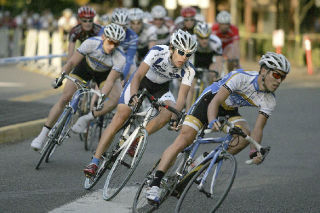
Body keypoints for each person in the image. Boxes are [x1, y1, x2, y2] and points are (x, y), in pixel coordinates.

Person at [145, 52, 290, 203]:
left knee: (244, 135)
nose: (279, 81)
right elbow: (215, 102)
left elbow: (258, 128)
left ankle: (203, 162)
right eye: (277, 75)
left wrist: (255, 150)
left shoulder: (270, 100)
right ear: (264, 71)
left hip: (229, 110)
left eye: (283, 77)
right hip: (209, 101)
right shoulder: (241, 77)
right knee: (184, 139)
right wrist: (212, 120)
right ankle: (154, 183)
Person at [83, 29, 198, 177]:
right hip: (141, 81)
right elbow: (137, 76)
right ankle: (95, 161)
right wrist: (132, 96)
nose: (184, 57)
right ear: (171, 48)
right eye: (181, 52)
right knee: (122, 115)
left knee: (169, 111)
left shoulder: (189, 70)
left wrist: (176, 117)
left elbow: (182, 97)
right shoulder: (158, 51)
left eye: (188, 55)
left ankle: (137, 139)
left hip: (161, 88)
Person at [30, 23, 126, 151]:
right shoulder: (91, 43)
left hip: (104, 74)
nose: (112, 46)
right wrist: (60, 77)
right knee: (65, 98)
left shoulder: (120, 57)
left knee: (115, 99)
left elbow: (109, 81)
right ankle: (41, 136)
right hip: (85, 68)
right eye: (110, 42)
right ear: (103, 37)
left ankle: (87, 118)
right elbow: (72, 62)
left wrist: (102, 96)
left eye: (116, 44)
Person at [71, 8, 139, 133]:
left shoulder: (133, 36)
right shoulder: (104, 30)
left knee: (133, 70)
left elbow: (129, 60)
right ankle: (88, 119)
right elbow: (97, 48)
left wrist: (123, 78)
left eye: (124, 27)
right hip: (106, 58)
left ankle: (125, 99)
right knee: (97, 86)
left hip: (121, 60)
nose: (121, 29)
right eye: (118, 26)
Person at [186, 21, 224, 111]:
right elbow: (186, 59)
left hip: (209, 61)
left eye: (206, 38)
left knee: (213, 76)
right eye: (201, 38)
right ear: (196, 36)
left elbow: (219, 61)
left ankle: (209, 102)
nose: (204, 40)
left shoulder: (216, 42)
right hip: (195, 59)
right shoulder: (191, 41)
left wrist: (217, 75)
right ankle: (187, 112)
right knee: (190, 85)